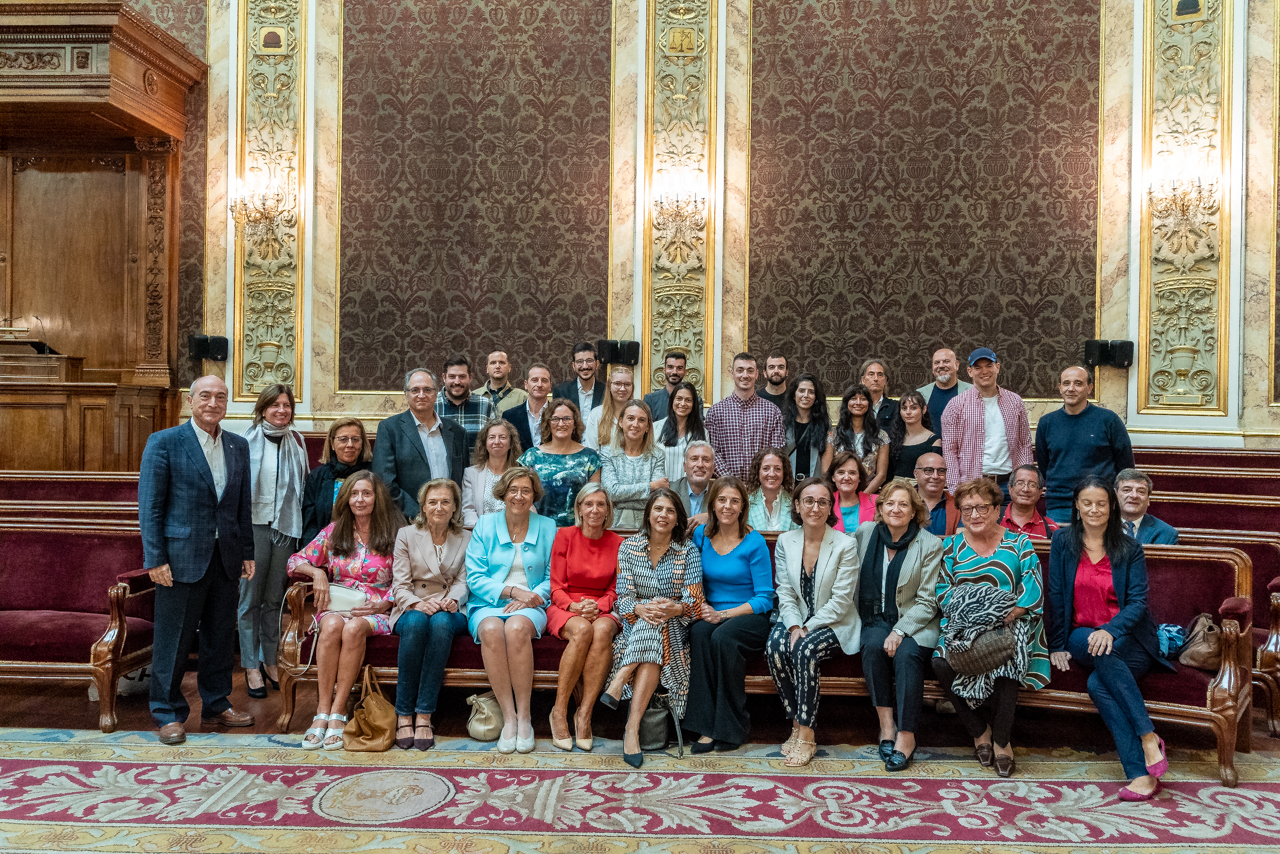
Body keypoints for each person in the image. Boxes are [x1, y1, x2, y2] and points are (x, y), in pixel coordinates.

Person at [138, 375, 256, 744]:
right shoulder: (164, 442)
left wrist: (247, 552)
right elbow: (150, 507)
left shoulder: (237, 445)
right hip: (179, 559)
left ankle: (217, 704)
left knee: (220, 638)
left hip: (226, 557)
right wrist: (155, 559)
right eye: (205, 396)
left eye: (221, 396)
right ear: (190, 401)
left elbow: (242, 505)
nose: (213, 403)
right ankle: (167, 712)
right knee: (174, 639)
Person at [1047, 476, 1173, 800]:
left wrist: (1110, 630)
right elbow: (1057, 595)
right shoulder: (1063, 541)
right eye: (1087, 503)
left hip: (1130, 639)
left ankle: (1140, 775)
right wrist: (1057, 645)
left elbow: (1137, 603)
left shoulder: (1129, 547)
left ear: (1111, 506)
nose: (1094, 509)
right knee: (1097, 647)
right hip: (1082, 634)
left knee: (1097, 684)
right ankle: (1148, 736)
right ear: (1077, 505)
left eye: (1101, 503)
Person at [932, 477, 1050, 778]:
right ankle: (978, 731)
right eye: (967, 509)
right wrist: (978, 615)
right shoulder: (951, 546)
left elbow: (1032, 585)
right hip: (964, 625)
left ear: (997, 509)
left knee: (1009, 660)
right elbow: (943, 592)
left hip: (1011, 622)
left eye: (982, 507)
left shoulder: (1019, 543)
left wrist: (1007, 611)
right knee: (940, 661)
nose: (974, 514)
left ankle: (1001, 741)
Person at [288, 471, 402, 749]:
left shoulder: (396, 532)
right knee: (330, 626)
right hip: (338, 605)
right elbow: (294, 561)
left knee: (353, 628)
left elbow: (407, 577)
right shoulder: (334, 531)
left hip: (377, 609)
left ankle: (338, 712)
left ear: (377, 498)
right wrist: (317, 573)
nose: (360, 499)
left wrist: (386, 601)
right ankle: (321, 712)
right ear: (346, 499)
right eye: (354, 494)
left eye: (366, 493)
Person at [602, 489, 704, 768]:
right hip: (635, 625)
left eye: (670, 511)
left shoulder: (688, 550)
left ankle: (622, 680)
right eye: (658, 509)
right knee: (652, 622)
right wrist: (640, 609)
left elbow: (695, 603)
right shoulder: (629, 547)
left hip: (675, 627)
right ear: (648, 514)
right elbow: (623, 598)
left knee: (659, 620)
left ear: (677, 519)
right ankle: (632, 729)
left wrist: (675, 608)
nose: (663, 515)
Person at [850, 479, 944, 772]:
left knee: (906, 654)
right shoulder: (865, 533)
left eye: (904, 504)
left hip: (916, 621)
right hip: (874, 616)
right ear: (880, 508)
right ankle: (886, 726)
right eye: (889, 503)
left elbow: (928, 601)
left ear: (914, 511)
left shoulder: (930, 544)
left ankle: (906, 735)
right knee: (872, 646)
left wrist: (900, 630)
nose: (896, 509)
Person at [465, 467, 558, 753]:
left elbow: (553, 575)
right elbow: (475, 577)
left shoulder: (548, 526)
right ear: (503, 494)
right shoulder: (484, 525)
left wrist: (532, 597)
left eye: (526, 490)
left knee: (516, 628)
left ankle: (525, 717)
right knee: (491, 629)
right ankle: (509, 718)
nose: (519, 496)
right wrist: (513, 592)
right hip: (488, 603)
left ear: (534, 495)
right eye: (513, 490)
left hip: (532, 604)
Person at [768, 477, 859, 766]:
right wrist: (795, 625)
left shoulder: (846, 544)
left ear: (831, 507)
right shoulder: (786, 541)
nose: (815, 507)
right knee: (774, 647)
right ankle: (796, 722)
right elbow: (784, 591)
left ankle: (807, 734)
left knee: (804, 648)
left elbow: (842, 601)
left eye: (822, 502)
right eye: (808, 501)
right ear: (797, 505)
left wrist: (807, 629)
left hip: (834, 621)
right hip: (796, 616)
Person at [685, 477, 775, 752]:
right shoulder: (701, 536)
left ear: (743, 507)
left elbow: (764, 598)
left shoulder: (754, 542)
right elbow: (693, 578)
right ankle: (704, 726)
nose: (728, 506)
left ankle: (731, 728)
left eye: (735, 501)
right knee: (699, 633)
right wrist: (701, 607)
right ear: (712, 504)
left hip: (750, 616)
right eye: (722, 500)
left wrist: (723, 615)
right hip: (712, 612)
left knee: (723, 638)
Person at [239, 384, 309, 699]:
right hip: (253, 527)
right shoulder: (244, 441)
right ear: (263, 408)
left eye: (286, 405)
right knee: (249, 599)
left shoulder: (297, 442)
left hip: (285, 528)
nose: (281, 410)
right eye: (274, 405)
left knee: (273, 600)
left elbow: (301, 488)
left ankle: (269, 659)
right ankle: (250, 665)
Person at [390, 479, 470, 750]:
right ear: (423, 507)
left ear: (455, 507)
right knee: (415, 622)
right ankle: (403, 714)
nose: (439, 507)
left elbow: (464, 580)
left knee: (441, 623)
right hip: (412, 605)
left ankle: (424, 714)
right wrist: (416, 603)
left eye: (446, 502)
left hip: (450, 607)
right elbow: (400, 585)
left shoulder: (466, 537)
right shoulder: (406, 535)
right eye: (433, 502)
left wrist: (453, 599)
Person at [546, 484, 624, 751]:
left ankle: (585, 714)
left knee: (602, 630)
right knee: (582, 630)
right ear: (579, 508)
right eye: (588, 504)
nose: (594, 510)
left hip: (603, 607)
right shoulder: (565, 536)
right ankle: (559, 710)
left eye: (600, 504)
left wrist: (598, 607)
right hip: (566, 606)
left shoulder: (618, 543)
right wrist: (575, 607)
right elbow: (556, 586)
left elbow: (616, 588)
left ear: (608, 510)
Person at [1035, 366, 1135, 524]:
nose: (1071, 388)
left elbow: (1125, 466)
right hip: (1059, 505)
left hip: (1099, 504)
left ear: (1089, 388)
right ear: (1060, 388)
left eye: (1078, 383)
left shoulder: (1109, 420)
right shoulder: (1046, 422)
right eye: (1066, 383)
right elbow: (1044, 466)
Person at [374, 368, 468, 517]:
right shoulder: (390, 429)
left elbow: (464, 480)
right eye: (415, 390)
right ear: (406, 394)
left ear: (436, 394)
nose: (421, 395)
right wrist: (419, 515)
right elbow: (385, 482)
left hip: (449, 519)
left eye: (427, 390)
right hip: (407, 521)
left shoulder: (457, 432)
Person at [940, 348, 1033, 501]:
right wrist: (956, 488)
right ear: (970, 371)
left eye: (989, 366)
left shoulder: (1015, 401)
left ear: (998, 367)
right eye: (978, 367)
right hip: (973, 485)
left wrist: (1024, 481)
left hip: (1010, 484)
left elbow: (1024, 443)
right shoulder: (956, 405)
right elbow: (950, 450)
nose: (984, 371)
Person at [518, 399, 602, 526]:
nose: (561, 423)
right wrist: (537, 524)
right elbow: (523, 495)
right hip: (538, 527)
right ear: (548, 423)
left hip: (578, 529)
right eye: (555, 419)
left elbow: (594, 498)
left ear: (575, 423)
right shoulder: (531, 456)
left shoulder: (590, 457)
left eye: (567, 419)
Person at [705, 352, 786, 480]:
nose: (745, 375)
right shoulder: (716, 412)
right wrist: (733, 483)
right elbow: (712, 453)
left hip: (761, 485)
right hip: (726, 486)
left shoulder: (772, 412)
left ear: (756, 374)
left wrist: (756, 481)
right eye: (740, 370)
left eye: (750, 371)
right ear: (732, 373)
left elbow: (776, 454)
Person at [301, 416, 372, 546]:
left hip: (368, 547)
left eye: (355, 439)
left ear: (362, 443)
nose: (350, 445)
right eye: (343, 439)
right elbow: (310, 524)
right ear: (332, 444)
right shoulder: (317, 477)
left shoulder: (374, 474)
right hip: (327, 546)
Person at [601, 400, 668, 528]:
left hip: (647, 524)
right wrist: (650, 486)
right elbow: (611, 493)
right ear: (621, 422)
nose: (635, 424)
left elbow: (656, 497)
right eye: (630, 418)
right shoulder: (607, 453)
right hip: (613, 524)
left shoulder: (658, 455)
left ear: (648, 426)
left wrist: (621, 499)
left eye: (641, 420)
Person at [461, 419, 523, 527]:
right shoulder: (471, 473)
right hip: (480, 532)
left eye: (502, 437)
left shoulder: (520, 475)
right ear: (485, 443)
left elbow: (525, 508)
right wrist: (481, 531)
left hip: (513, 532)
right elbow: (468, 510)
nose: (497, 441)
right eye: (492, 437)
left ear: (511, 444)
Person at [833, 384, 889, 494]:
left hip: (869, 495)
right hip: (840, 495)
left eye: (863, 399)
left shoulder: (881, 436)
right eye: (853, 398)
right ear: (846, 403)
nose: (858, 402)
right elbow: (826, 471)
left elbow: (881, 475)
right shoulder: (833, 435)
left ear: (869, 403)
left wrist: (863, 497)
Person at [436, 354, 497, 454]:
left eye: (462, 377)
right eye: (452, 377)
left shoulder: (486, 406)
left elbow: (496, 445)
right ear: (444, 377)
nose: (457, 382)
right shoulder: (431, 406)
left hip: (476, 464)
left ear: (470, 377)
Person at [653, 381, 706, 482]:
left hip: (690, 487)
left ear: (694, 404)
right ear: (672, 400)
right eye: (679, 399)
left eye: (688, 400)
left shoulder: (702, 432)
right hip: (661, 487)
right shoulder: (656, 428)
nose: (682, 403)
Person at [783, 373, 833, 480]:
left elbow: (826, 464)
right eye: (801, 391)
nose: (806, 395)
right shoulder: (783, 423)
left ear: (816, 397)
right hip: (788, 482)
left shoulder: (824, 424)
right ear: (794, 394)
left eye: (811, 392)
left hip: (814, 483)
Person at [886, 389, 942, 480]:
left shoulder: (934, 440)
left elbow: (933, 474)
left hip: (921, 485)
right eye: (904, 408)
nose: (908, 412)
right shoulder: (893, 438)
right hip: (895, 485)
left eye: (913, 408)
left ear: (924, 409)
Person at [1115, 469, 1179, 544]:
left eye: (1141, 492)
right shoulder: (1103, 526)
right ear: (1115, 496)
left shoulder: (1166, 533)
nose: (1134, 496)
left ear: (1148, 499)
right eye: (1127, 490)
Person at [917, 348, 972, 431]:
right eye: (937, 363)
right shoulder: (920, 394)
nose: (941, 366)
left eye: (946, 361)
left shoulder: (973, 392)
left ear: (956, 365)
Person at [1000, 465, 1060, 539]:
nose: (1025, 489)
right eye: (1020, 483)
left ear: (1040, 492)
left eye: (1032, 485)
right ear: (1010, 488)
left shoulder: (1051, 528)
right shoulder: (992, 520)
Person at [503, 363, 553, 452]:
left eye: (544, 380)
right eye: (534, 380)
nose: (539, 384)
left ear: (550, 386)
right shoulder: (509, 416)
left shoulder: (558, 415)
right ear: (526, 384)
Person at [746, 446, 797, 532]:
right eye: (766, 469)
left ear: (784, 472)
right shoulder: (746, 503)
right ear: (758, 471)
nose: (772, 474)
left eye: (777, 469)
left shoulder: (795, 504)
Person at [585, 365, 635, 450]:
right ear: (609, 386)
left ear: (632, 387)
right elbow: (591, 450)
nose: (622, 388)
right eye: (617, 384)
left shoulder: (639, 414)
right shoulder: (596, 414)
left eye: (627, 384)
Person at [829, 450, 877, 534]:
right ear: (833, 477)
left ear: (859, 478)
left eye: (852, 473)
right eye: (841, 472)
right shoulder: (824, 503)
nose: (846, 477)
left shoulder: (875, 502)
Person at [553, 341, 605, 415]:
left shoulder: (606, 391)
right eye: (580, 361)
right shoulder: (561, 392)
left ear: (597, 364)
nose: (585, 366)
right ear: (573, 366)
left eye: (589, 361)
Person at [914, 451, 958, 537]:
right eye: (928, 470)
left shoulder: (958, 505)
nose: (935, 476)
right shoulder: (903, 502)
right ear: (916, 474)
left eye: (941, 471)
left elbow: (961, 540)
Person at [672, 441, 715, 523]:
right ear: (685, 466)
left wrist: (711, 517)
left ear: (713, 468)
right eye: (694, 459)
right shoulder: (670, 491)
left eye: (706, 460)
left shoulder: (721, 492)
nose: (700, 464)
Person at [477, 350, 528, 415]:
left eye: (502, 362)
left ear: (509, 367)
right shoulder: (474, 396)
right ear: (487, 369)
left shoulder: (522, 397)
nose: (497, 366)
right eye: (493, 363)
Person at [643, 350, 688, 421]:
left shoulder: (696, 401)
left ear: (685, 372)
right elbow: (645, 426)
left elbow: (697, 427)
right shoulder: (650, 400)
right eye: (670, 367)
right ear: (664, 370)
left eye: (679, 368)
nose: (674, 372)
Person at [859, 358, 898, 428]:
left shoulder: (895, 407)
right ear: (863, 380)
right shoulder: (856, 406)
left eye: (880, 375)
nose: (876, 379)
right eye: (871, 374)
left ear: (885, 380)